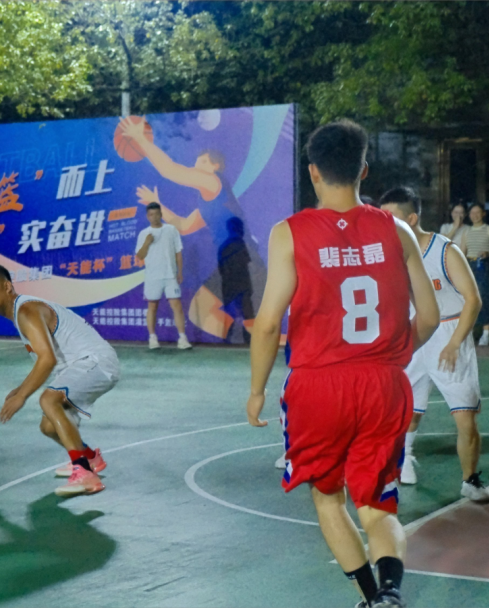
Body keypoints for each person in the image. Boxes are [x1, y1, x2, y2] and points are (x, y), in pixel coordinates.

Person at [247, 120, 439, 608]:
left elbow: (267, 325)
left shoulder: (289, 233)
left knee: (328, 499)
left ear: (313, 171)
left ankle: (372, 598)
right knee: (378, 506)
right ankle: (390, 592)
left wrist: (256, 390)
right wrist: (392, 357)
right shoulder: (397, 230)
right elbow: (430, 316)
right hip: (383, 384)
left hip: (317, 386)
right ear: (363, 170)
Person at [380, 187, 489, 500]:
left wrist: (454, 343)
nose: (384, 224)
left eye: (391, 218)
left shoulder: (445, 250)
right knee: (406, 409)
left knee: (465, 416)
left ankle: (470, 480)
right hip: (415, 334)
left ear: (412, 218)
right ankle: (404, 460)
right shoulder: (390, 254)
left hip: (448, 334)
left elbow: (473, 300)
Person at [0, 264, 120, 497]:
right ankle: (90, 458)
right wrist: (20, 388)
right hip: (81, 365)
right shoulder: (20, 313)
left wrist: (22, 396)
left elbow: (47, 359)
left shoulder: (26, 311)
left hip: (96, 362)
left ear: (7, 287)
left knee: (48, 400)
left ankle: (84, 474)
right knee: (49, 427)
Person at [118, 116, 261, 341]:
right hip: (232, 259)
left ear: (215, 167)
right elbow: (183, 226)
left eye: (203, 162)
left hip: (241, 257)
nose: (197, 166)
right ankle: (245, 337)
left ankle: (254, 337)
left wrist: (141, 140)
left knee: (228, 315)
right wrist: (157, 204)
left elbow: (171, 170)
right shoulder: (209, 203)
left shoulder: (214, 181)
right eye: (196, 162)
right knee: (203, 312)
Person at [135, 202, 192, 350]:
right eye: (151, 215)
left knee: (177, 306)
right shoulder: (144, 234)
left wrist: (179, 272)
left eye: (156, 214)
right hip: (153, 277)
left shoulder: (171, 230)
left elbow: (178, 252)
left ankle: (182, 338)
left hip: (170, 275)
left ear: (161, 214)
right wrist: (147, 243)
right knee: (152, 307)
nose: (154, 217)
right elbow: (140, 256)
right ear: (147, 216)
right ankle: (152, 338)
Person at [461, 203, 489, 345]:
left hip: (484, 265)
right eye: (472, 213)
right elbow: (462, 252)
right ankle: (469, 331)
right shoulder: (467, 231)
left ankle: (486, 332)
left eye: (478, 212)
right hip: (469, 265)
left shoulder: (487, 229)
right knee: (467, 297)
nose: (475, 215)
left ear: (483, 214)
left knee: (483, 296)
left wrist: (487, 253)